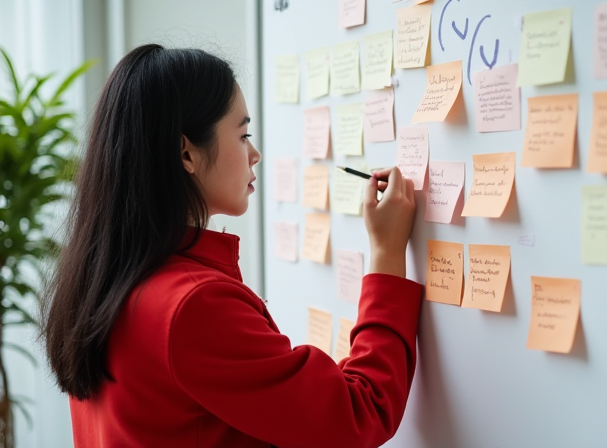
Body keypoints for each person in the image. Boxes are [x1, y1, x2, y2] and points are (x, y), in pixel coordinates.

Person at [42, 44, 422, 448]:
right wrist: (386, 253)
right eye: (243, 135)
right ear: (185, 152)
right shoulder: (193, 306)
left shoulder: (107, 280)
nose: (255, 154)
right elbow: (359, 412)